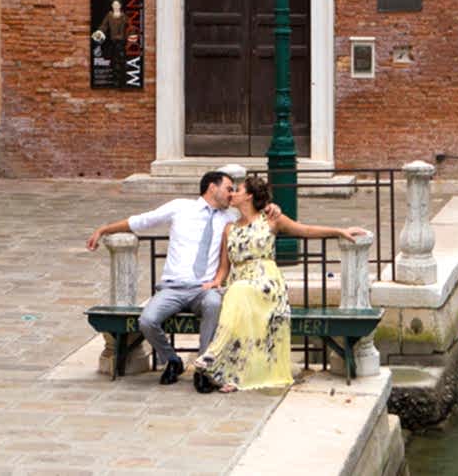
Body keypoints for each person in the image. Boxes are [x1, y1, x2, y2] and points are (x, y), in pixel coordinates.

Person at [193, 174, 369, 393]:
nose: (232, 194)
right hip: (240, 284)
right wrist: (216, 282)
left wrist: (339, 231)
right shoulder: (229, 228)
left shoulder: (271, 220)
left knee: (239, 292)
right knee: (236, 295)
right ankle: (236, 375)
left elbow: (304, 229)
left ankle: (211, 356)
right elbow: (224, 266)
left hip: (266, 283)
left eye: (237, 190)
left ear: (248, 196)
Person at [85, 164, 250, 385]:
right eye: (228, 188)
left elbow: (256, 215)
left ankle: (204, 367)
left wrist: (272, 210)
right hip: (173, 287)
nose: (231, 194)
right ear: (212, 187)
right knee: (147, 320)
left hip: (205, 288)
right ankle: (172, 360)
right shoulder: (180, 207)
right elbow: (141, 221)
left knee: (214, 305)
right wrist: (104, 230)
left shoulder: (230, 217)